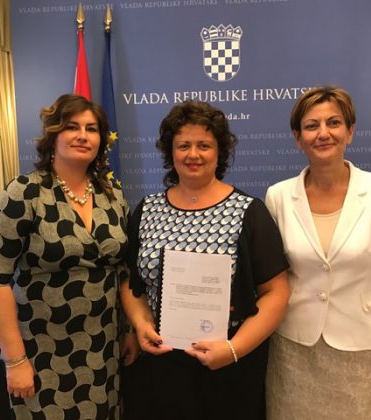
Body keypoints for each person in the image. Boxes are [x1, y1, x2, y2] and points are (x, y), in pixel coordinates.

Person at [120, 100, 290, 420]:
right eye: (183, 145)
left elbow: (277, 292)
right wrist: (141, 324)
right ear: (170, 151)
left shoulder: (249, 212)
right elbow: (131, 280)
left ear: (219, 151)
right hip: (162, 364)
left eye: (204, 145)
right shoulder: (146, 211)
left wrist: (234, 349)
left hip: (228, 365)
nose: (193, 154)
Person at [0, 94, 136, 419]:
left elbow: (122, 270)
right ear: (53, 134)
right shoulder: (23, 193)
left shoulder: (113, 195)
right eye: (72, 127)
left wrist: (130, 331)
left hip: (103, 348)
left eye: (91, 129)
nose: (82, 135)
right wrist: (14, 360)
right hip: (42, 352)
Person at [265, 86, 371, 419]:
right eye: (311, 125)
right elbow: (273, 277)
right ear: (298, 138)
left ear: (350, 131)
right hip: (294, 351)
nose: (323, 133)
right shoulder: (278, 196)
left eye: (333, 123)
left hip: (361, 353)